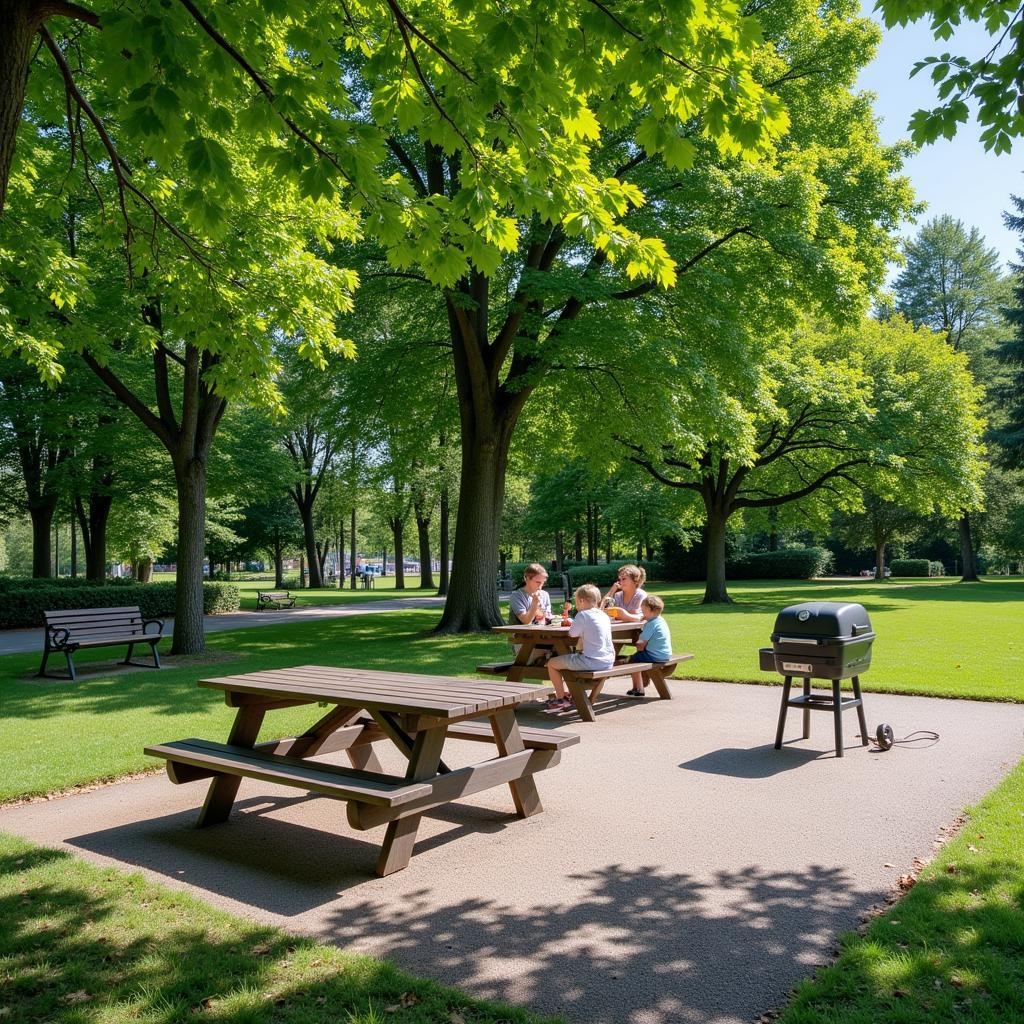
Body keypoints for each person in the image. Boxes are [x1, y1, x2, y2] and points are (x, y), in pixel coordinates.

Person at [545, 584, 615, 711]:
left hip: (591, 661)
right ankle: (568, 693)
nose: (576, 606)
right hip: (608, 660)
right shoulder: (603, 615)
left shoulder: (582, 615)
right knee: (568, 661)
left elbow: (572, 634)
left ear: (582, 601)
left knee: (552, 663)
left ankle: (561, 697)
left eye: (576, 602)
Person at [626, 594, 673, 698]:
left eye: (644, 612)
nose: (643, 614)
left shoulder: (650, 624)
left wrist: (638, 644)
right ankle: (637, 687)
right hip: (665, 654)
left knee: (633, 660)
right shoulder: (660, 620)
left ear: (651, 610)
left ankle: (638, 688)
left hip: (654, 655)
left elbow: (641, 645)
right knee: (636, 657)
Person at [507, 563, 553, 666]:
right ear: (527, 578)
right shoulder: (517, 596)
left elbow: (548, 618)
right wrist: (535, 604)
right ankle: (545, 660)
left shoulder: (545, 595)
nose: (540, 586)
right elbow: (526, 620)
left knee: (569, 648)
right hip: (524, 642)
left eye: (542, 583)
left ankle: (549, 660)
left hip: (544, 639)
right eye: (537, 582)